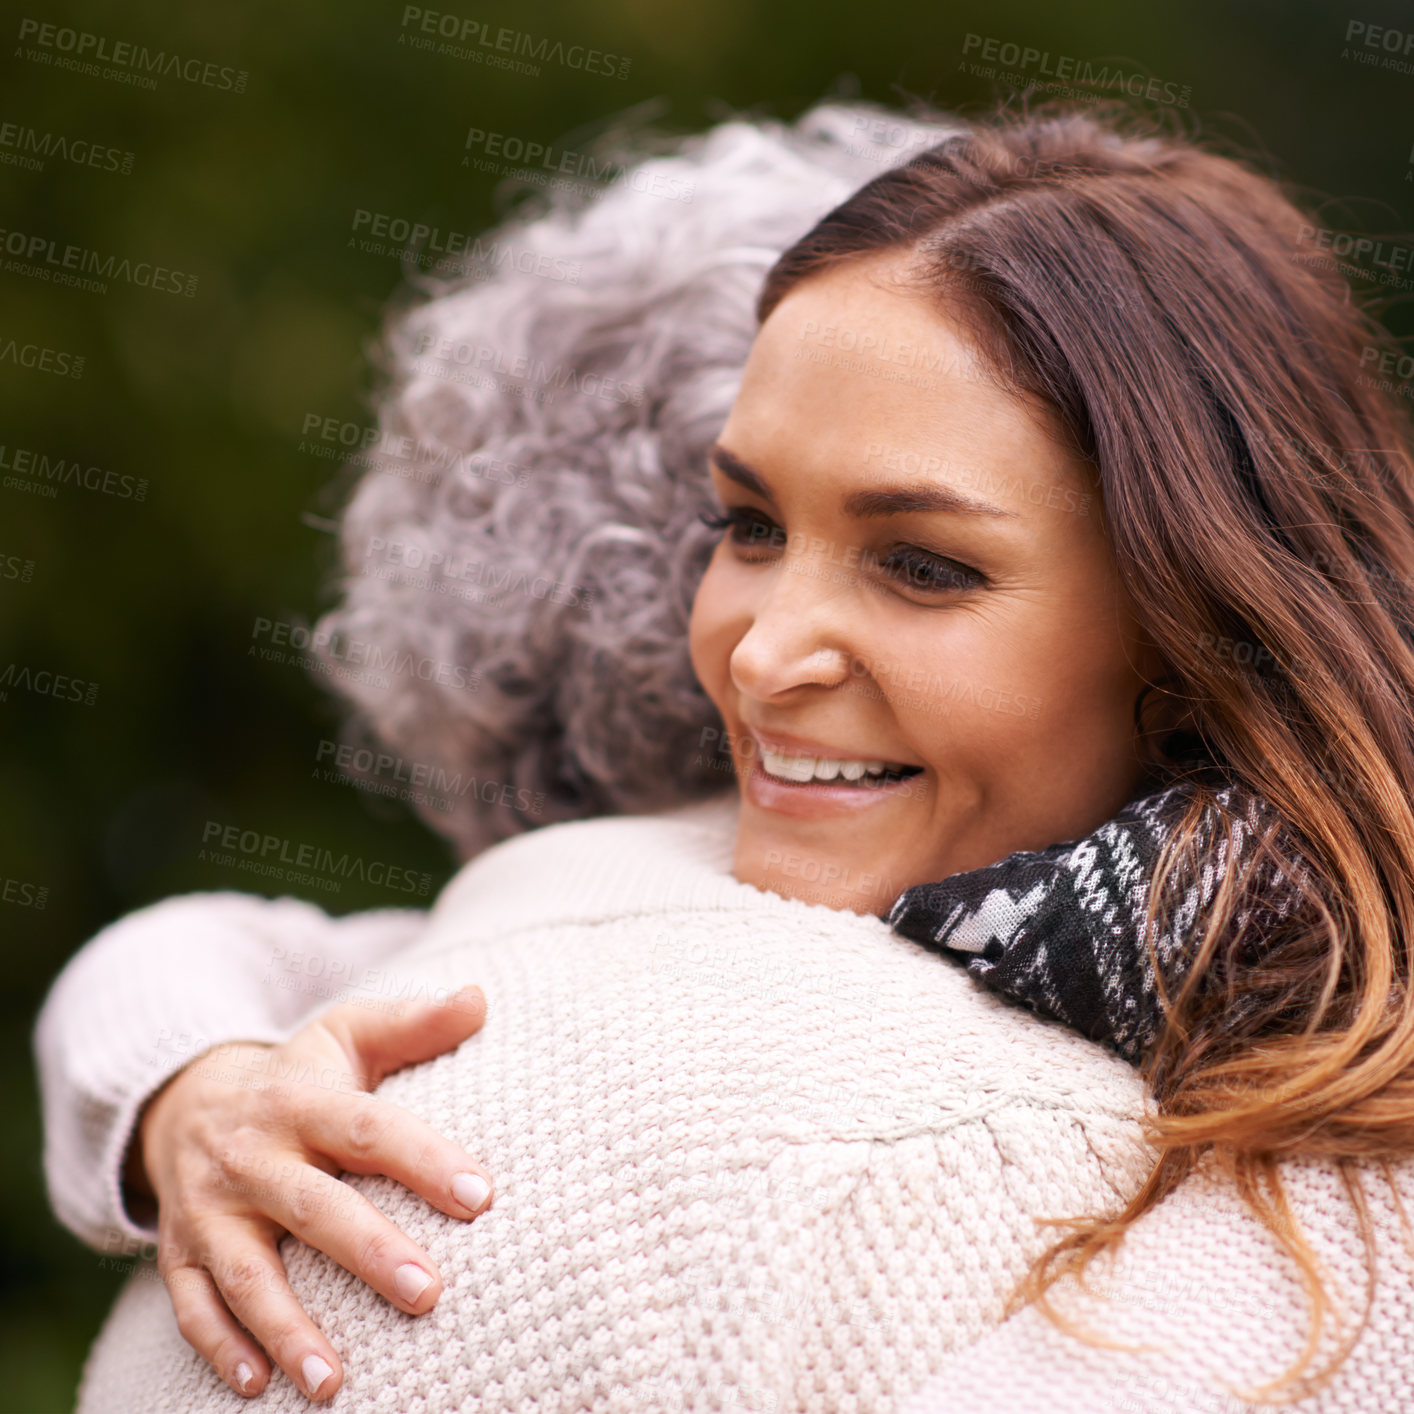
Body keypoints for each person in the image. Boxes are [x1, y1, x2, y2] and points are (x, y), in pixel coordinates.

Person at [37, 96, 1414, 1412]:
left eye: (921, 565)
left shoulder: (1339, 1154)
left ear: (1198, 624)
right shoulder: (722, 847)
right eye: (748, 526)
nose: (759, 657)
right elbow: (203, 948)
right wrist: (194, 1096)